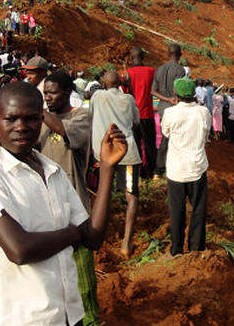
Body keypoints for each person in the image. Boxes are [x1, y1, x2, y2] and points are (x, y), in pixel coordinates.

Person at [0, 81, 126, 326]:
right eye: (11, 119)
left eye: (31, 119)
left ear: (42, 119)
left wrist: (107, 169)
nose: (21, 127)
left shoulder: (52, 170)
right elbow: (20, 249)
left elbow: (92, 238)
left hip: (69, 313)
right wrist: (72, 234)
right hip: (26, 319)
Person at [39, 71, 100, 326]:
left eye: (52, 93)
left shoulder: (81, 116)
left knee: (81, 275)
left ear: (67, 92)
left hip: (74, 206)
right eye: (45, 94)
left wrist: (37, 110)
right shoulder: (42, 121)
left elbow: (63, 130)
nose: (48, 98)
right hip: (45, 206)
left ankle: (91, 320)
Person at [90, 71, 141, 256]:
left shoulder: (97, 96)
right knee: (131, 195)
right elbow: (136, 121)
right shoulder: (128, 99)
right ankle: (126, 243)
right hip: (127, 153)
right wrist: (130, 88)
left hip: (103, 154)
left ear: (104, 84)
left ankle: (97, 233)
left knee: (101, 192)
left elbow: (91, 116)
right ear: (121, 84)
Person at [160, 77, 210, 256]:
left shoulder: (170, 113)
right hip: (197, 167)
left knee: (177, 211)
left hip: (176, 170)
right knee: (198, 209)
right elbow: (205, 137)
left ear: (176, 94)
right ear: (194, 94)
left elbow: (165, 132)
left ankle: (177, 249)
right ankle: (196, 247)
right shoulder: (203, 112)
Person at [152, 44, 186, 178]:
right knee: (176, 140)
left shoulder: (159, 69)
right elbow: (178, 90)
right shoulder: (180, 70)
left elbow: (153, 91)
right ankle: (171, 169)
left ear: (168, 54)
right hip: (175, 109)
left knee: (164, 139)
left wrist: (166, 99)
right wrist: (173, 99)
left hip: (162, 109)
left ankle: (159, 171)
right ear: (180, 55)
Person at [125, 46, 157, 180]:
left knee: (135, 144)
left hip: (132, 115)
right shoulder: (151, 71)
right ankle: (152, 171)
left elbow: (125, 94)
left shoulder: (127, 73)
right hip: (147, 114)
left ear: (131, 58)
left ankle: (137, 173)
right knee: (150, 144)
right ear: (143, 58)